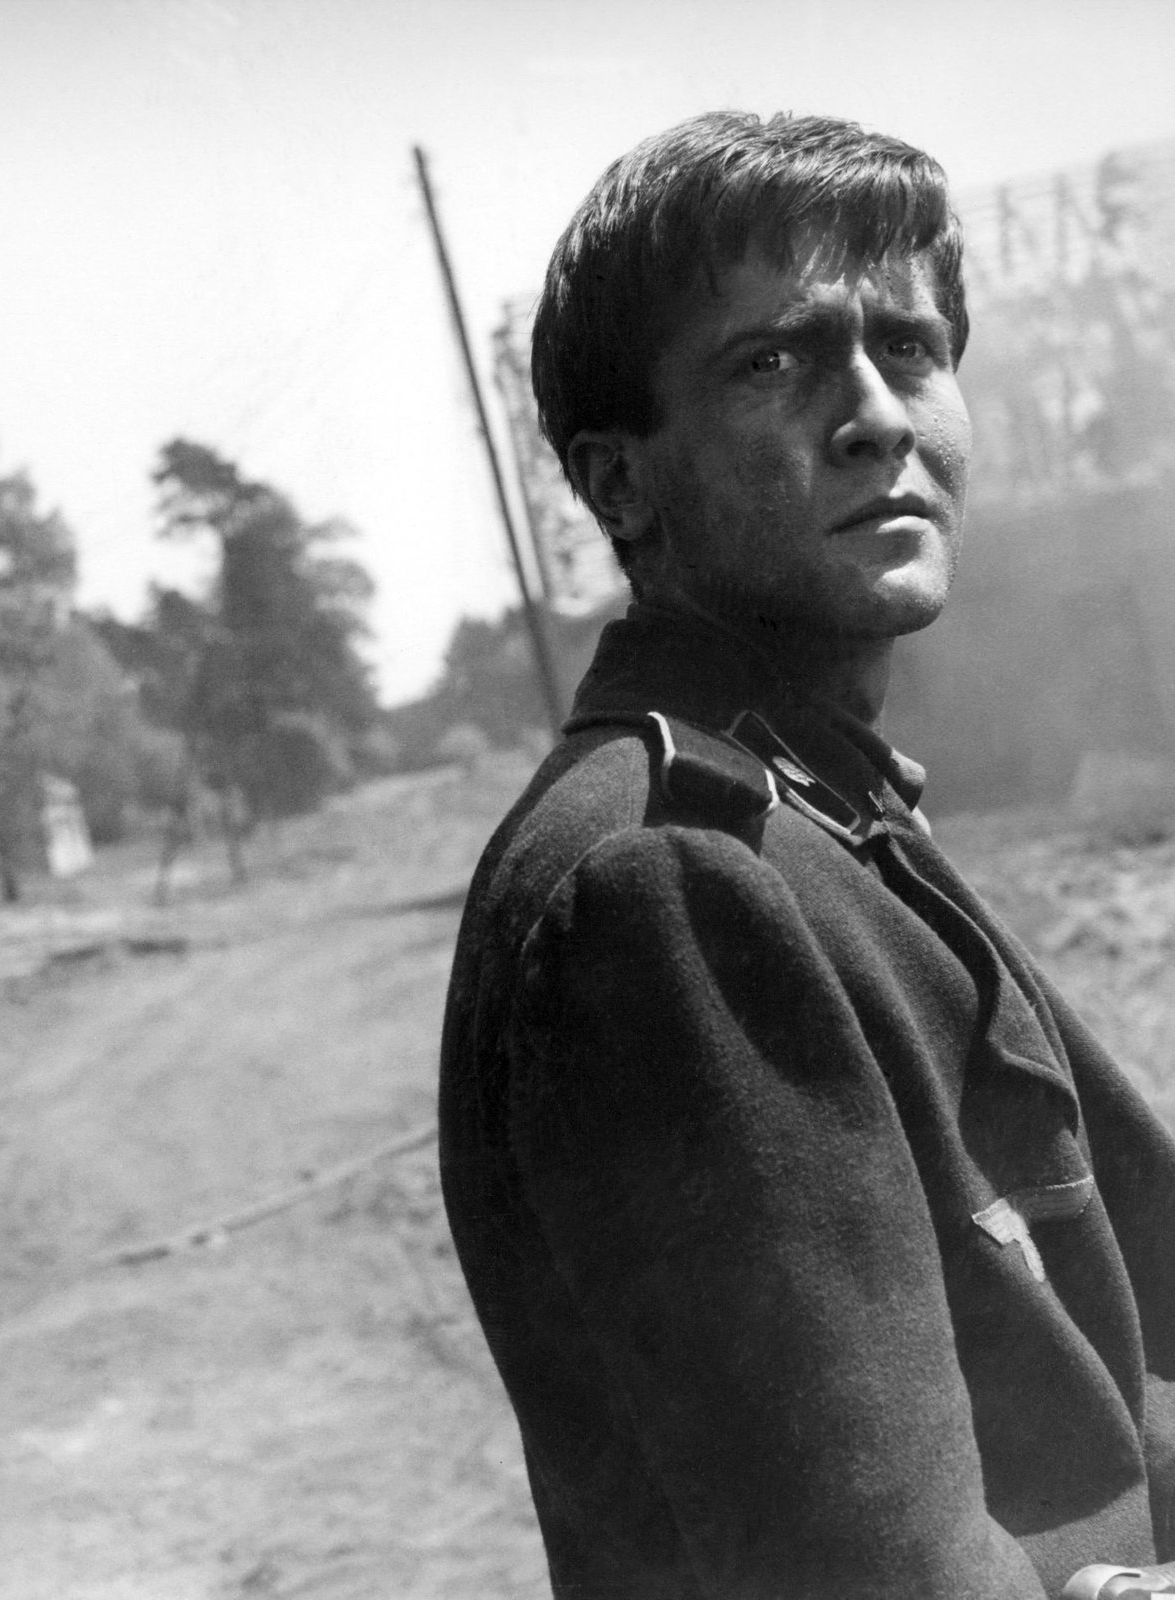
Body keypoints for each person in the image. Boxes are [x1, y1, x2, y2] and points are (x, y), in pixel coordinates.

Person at [437, 111, 1175, 1600]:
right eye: (774, 362)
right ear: (620, 482)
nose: (878, 416)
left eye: (909, 348)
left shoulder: (820, 811)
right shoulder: (665, 885)